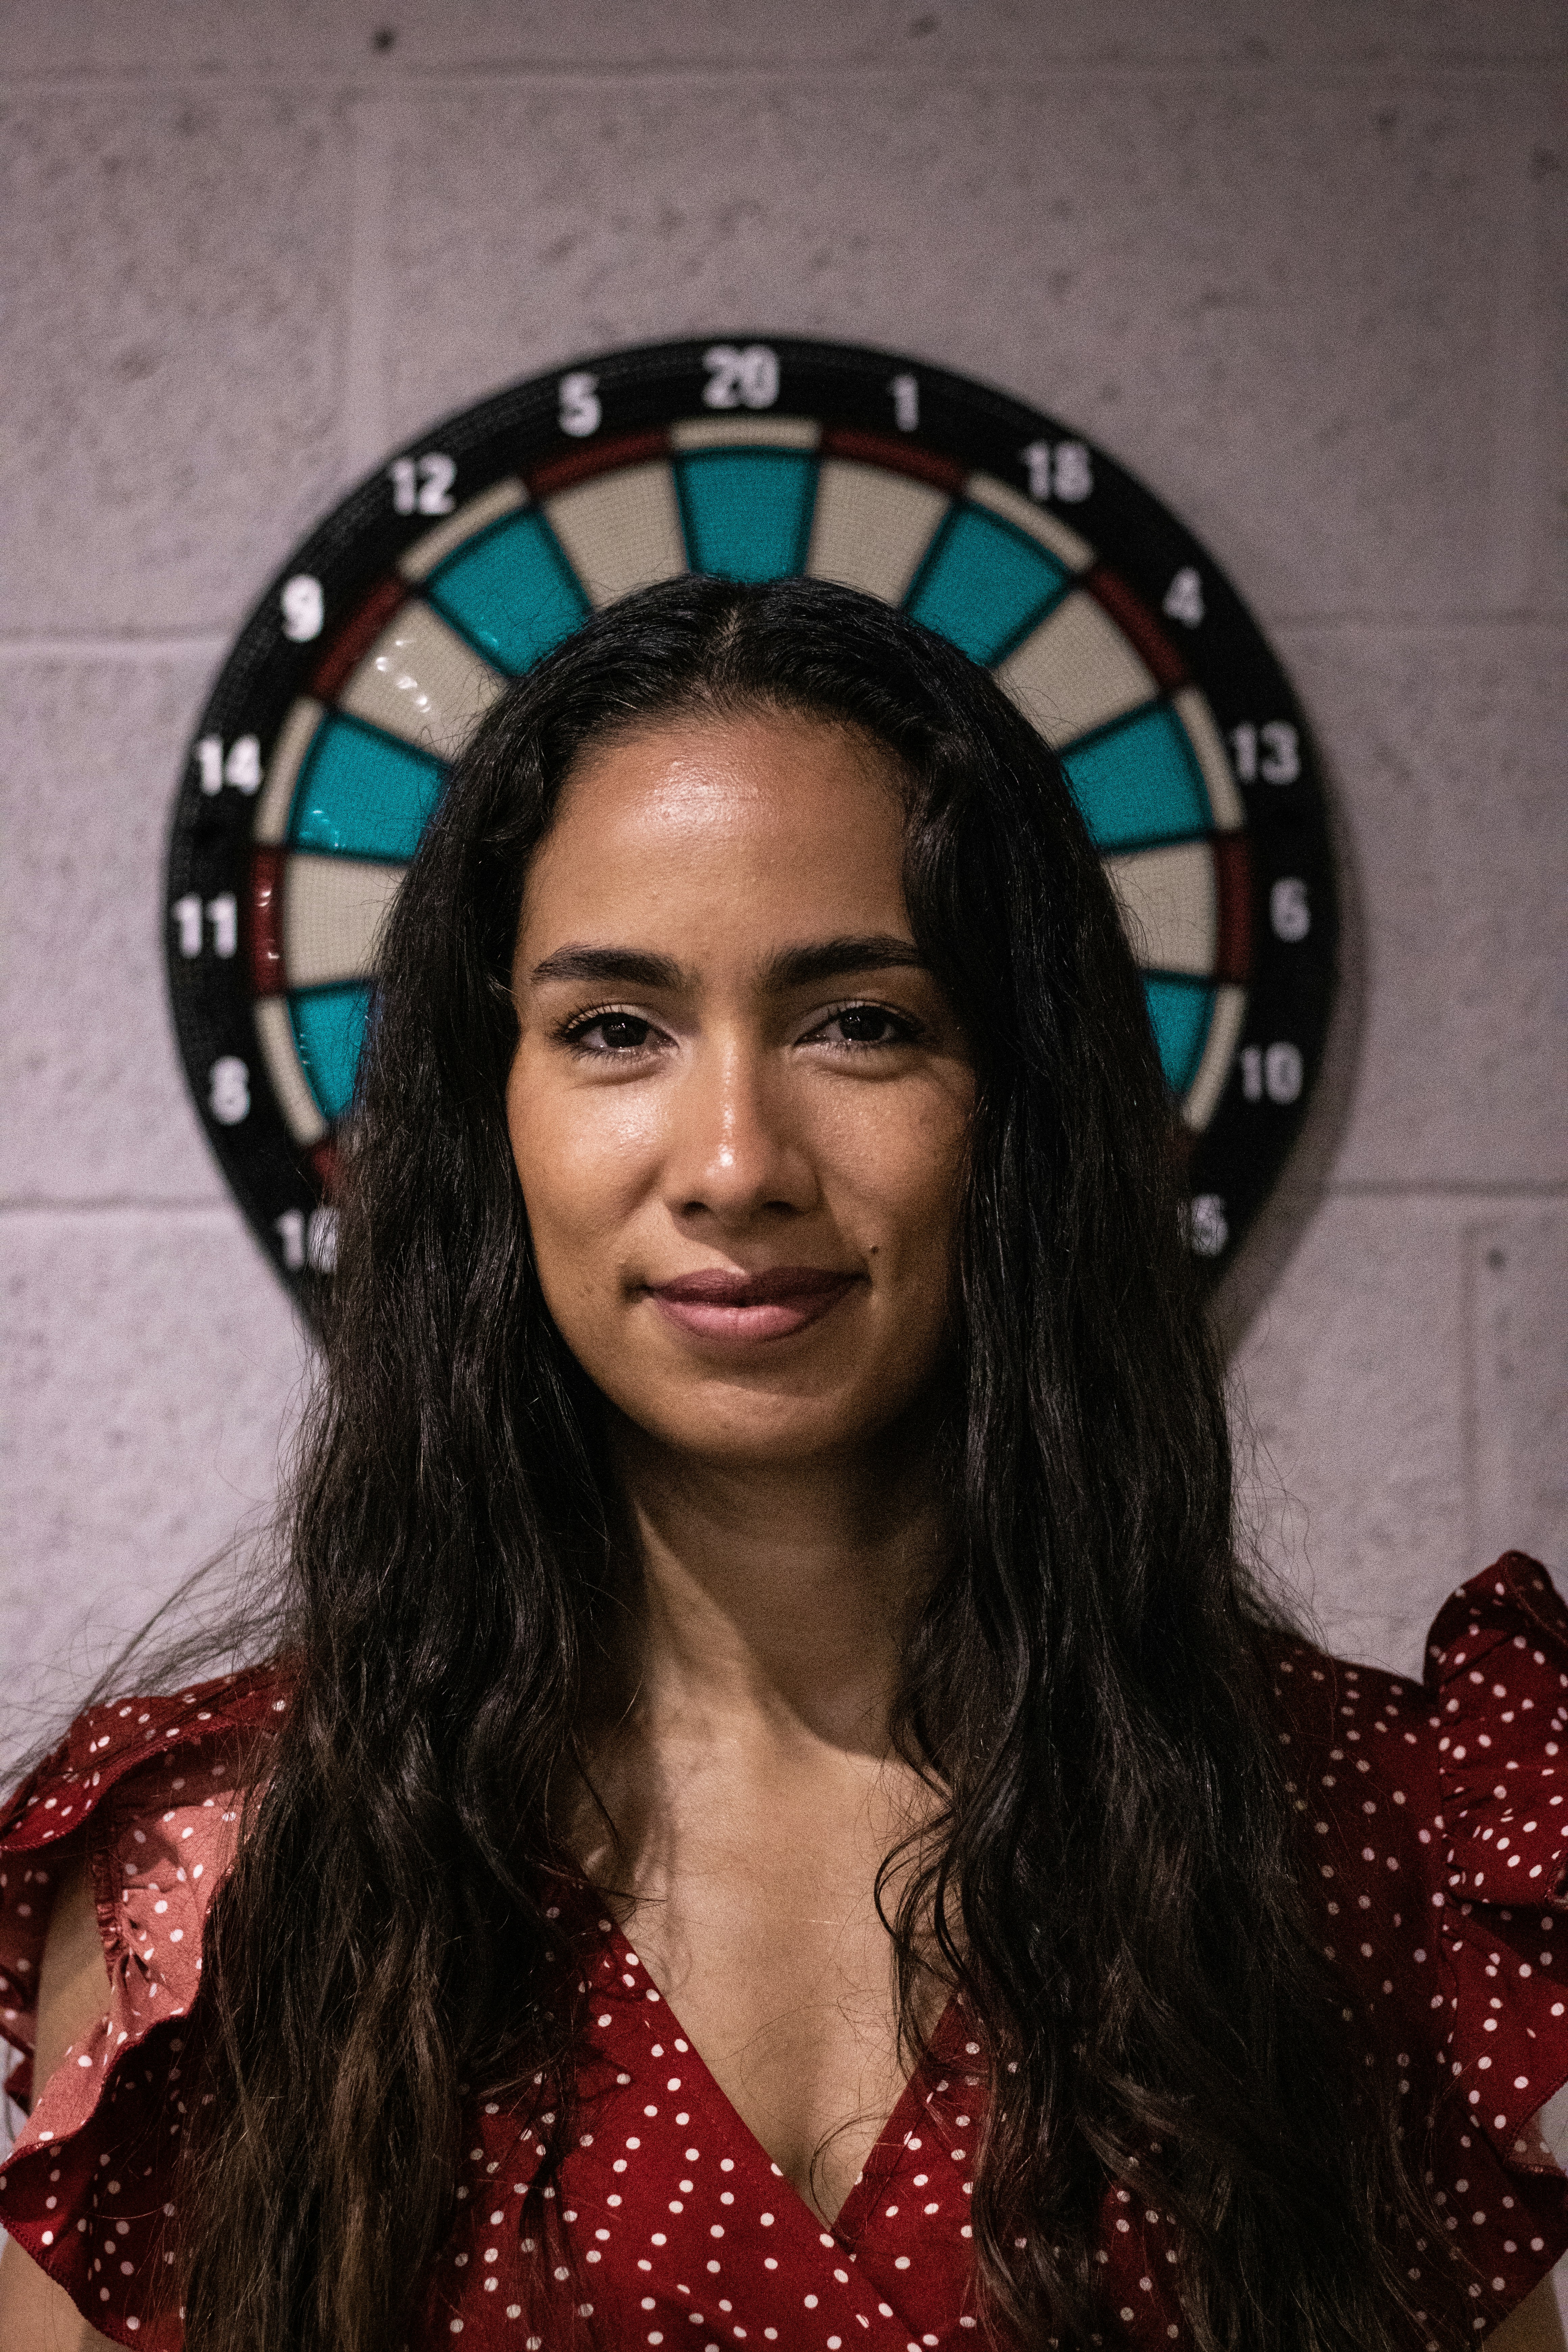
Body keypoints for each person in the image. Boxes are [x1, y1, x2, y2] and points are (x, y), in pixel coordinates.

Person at [0, 575, 1563, 2352]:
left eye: (862, 1021)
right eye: (615, 1028)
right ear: (485, 1104)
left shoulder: (1356, 1834)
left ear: (1022, 1107)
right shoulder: (215, 1879)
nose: (735, 1159)